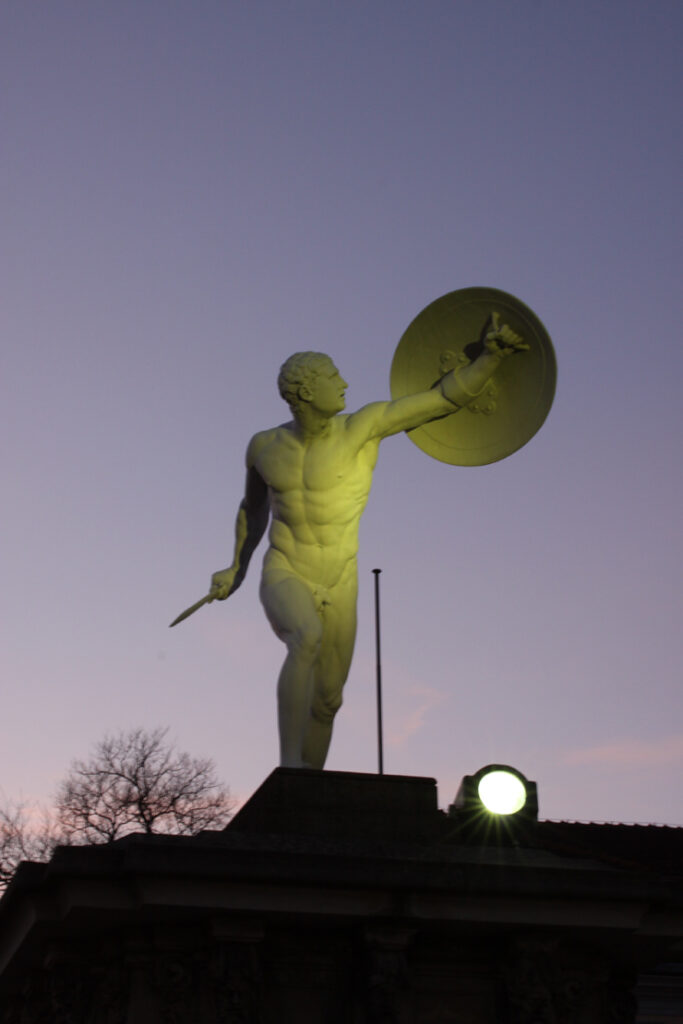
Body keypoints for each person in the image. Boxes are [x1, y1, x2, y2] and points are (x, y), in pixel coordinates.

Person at [210, 315, 527, 769]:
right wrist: (235, 569)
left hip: (341, 577)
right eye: (332, 377)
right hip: (286, 567)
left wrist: (494, 355)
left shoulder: (366, 426)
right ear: (305, 392)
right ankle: (289, 772)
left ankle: (309, 791)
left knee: (329, 700)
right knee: (306, 638)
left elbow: (443, 398)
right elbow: (252, 510)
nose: (344, 383)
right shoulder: (263, 447)